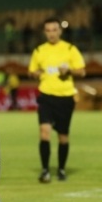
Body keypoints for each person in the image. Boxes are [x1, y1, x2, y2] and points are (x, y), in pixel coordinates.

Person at [28, 17, 86, 183]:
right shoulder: (39, 51)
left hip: (65, 97)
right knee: (44, 132)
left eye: (54, 30)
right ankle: (45, 170)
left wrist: (68, 71)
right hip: (46, 96)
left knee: (63, 136)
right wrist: (35, 74)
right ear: (44, 32)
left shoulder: (70, 49)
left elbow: (82, 71)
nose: (51, 33)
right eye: (48, 30)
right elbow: (31, 71)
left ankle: (61, 169)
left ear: (60, 31)